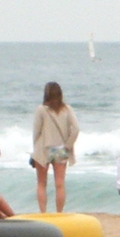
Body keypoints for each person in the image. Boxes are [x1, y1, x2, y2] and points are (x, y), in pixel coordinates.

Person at [31, 81, 80, 213]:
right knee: (60, 184)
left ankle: (43, 212)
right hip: (61, 149)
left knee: (41, 183)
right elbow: (76, 129)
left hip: (43, 148)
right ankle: (59, 212)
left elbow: (36, 131)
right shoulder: (67, 109)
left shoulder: (41, 109)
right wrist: (68, 145)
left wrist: (34, 149)